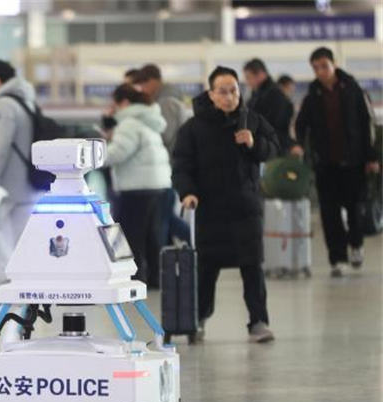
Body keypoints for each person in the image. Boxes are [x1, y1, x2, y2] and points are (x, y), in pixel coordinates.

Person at [173, 66, 280, 343]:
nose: (230, 96)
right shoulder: (193, 128)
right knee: (206, 270)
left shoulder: (251, 120)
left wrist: (254, 144)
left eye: (234, 90)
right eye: (223, 91)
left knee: (253, 267)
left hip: (246, 209)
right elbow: (182, 166)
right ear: (211, 94)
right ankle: (198, 320)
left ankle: (258, 321)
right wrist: (187, 192)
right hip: (210, 210)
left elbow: (274, 147)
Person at [293, 47, 380, 277]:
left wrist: (370, 157)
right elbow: (301, 124)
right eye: (315, 68)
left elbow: (366, 123)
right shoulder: (312, 95)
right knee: (330, 214)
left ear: (333, 64)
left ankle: (356, 246)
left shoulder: (352, 90)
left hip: (353, 161)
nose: (320, 71)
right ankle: (337, 258)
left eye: (324, 66)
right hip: (325, 164)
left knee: (354, 208)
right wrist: (301, 144)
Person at [0, 59, 43, 295]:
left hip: (7, 183)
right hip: (28, 181)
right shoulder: (26, 100)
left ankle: (5, 278)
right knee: (21, 233)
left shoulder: (4, 104)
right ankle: (25, 279)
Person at [103, 84, 171, 288]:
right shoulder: (148, 120)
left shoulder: (129, 123)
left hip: (136, 187)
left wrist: (96, 155)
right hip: (156, 184)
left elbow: (117, 153)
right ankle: (155, 279)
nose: (113, 108)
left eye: (114, 103)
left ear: (124, 102)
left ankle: (133, 278)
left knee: (130, 236)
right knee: (151, 235)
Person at [133, 63, 192, 249]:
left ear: (153, 81)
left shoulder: (165, 102)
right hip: (171, 165)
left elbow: (164, 134)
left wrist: (143, 133)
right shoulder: (168, 99)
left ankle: (194, 243)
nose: (142, 90)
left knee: (164, 216)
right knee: (165, 216)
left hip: (171, 165)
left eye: (143, 84)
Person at [243, 58, 295, 155]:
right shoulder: (257, 95)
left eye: (249, 77)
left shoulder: (274, 95)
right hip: (263, 146)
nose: (247, 82)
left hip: (273, 148)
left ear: (261, 74)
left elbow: (274, 126)